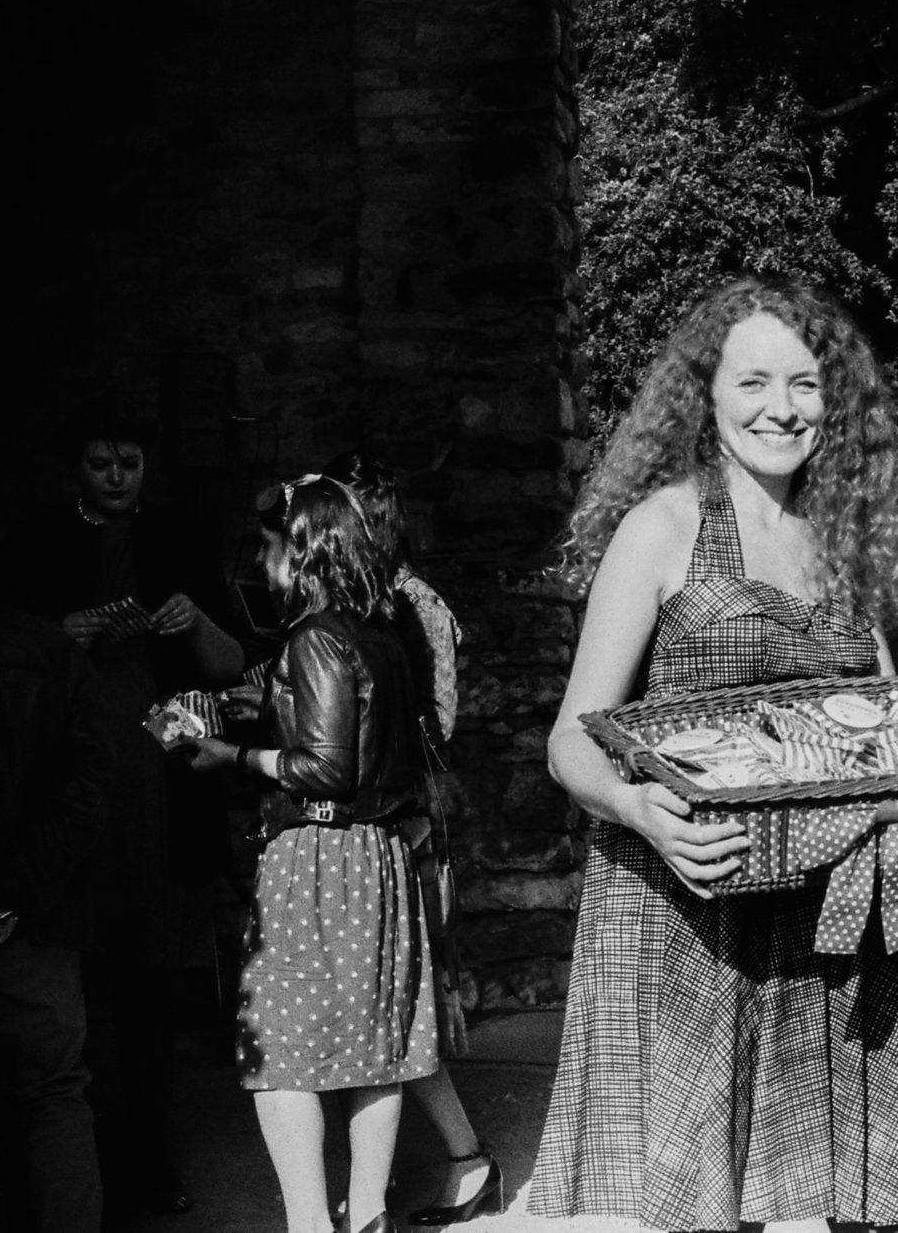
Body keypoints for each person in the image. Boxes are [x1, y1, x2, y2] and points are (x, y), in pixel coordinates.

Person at [529, 275, 898, 1230]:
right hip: (687, 903)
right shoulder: (664, 527)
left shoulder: (848, 543)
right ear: (706, 393)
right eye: (754, 382)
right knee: (703, 1201)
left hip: (825, 910)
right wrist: (643, 811)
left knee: (832, 1191)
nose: (782, 408)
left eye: (805, 385)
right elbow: (571, 738)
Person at [0, 408, 246, 1220]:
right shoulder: (34, 545)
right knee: (81, 1001)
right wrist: (63, 634)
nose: (115, 475)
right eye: (100, 462)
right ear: (75, 470)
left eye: (128, 461)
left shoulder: (179, 542)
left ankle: (152, 1162)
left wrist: (195, 621)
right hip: (74, 801)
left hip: (162, 803)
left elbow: (237, 665)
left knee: (155, 1003)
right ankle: (89, 1172)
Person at [184, 475, 439, 1233]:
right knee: (372, 1044)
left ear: (303, 550)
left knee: (282, 1046)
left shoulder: (317, 636)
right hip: (377, 853)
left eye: (270, 547)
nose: (262, 565)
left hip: (323, 858)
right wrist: (267, 709)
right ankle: (365, 1217)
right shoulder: (383, 634)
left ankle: (309, 1224)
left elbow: (325, 768)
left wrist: (232, 754)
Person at [321, 452, 498, 1226]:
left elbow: (439, 725)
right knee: (387, 1006)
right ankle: (434, 1165)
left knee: (398, 1005)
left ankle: (453, 1162)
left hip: (404, 826)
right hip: (381, 824)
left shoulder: (410, 604)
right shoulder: (350, 604)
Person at [0, 480, 114, 1233]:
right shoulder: (47, 649)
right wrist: (10, 889)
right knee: (54, 1098)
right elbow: (85, 793)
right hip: (36, 921)